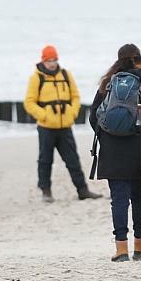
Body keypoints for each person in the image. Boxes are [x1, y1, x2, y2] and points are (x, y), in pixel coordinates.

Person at [89, 44, 141, 262]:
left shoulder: (107, 83)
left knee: (119, 199)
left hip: (112, 151)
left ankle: (121, 249)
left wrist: (108, 137)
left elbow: (93, 116)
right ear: (140, 59)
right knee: (139, 196)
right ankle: (140, 245)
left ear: (118, 60)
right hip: (139, 150)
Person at [24, 44, 102, 203]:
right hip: (46, 128)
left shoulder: (66, 75)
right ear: (43, 60)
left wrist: (72, 113)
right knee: (45, 160)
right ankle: (46, 191)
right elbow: (29, 102)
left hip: (65, 127)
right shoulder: (36, 78)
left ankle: (83, 190)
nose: (52, 63)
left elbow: (75, 97)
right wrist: (44, 115)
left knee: (73, 160)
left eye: (54, 60)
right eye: (49, 60)